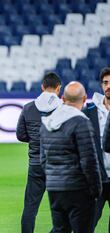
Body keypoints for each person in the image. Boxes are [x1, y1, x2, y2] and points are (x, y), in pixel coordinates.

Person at [40, 81, 101, 233]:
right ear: (85, 98)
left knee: (60, 230)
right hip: (78, 188)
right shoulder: (81, 122)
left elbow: (43, 159)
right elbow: (89, 161)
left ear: (62, 99)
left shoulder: (47, 123)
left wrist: (53, 179)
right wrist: (96, 189)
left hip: (55, 188)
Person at [16, 72, 62, 233]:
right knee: (63, 209)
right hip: (58, 166)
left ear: (42, 87)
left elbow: (20, 135)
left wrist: (36, 141)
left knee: (30, 207)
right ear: (58, 88)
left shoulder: (28, 107)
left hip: (35, 165)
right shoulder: (64, 108)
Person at [82, 67, 110, 231]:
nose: (108, 86)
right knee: (88, 223)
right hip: (96, 178)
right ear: (101, 85)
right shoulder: (89, 111)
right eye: (105, 83)